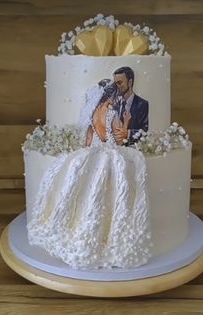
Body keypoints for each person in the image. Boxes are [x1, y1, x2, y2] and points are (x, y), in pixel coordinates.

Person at [27, 79, 152, 270]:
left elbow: (89, 138)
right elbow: (116, 138)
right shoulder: (112, 112)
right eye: (115, 97)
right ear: (110, 97)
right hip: (110, 152)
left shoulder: (93, 112)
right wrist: (126, 121)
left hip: (91, 153)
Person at [113, 66, 149, 144]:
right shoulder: (115, 105)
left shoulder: (142, 104)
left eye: (119, 83)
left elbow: (146, 130)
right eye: (115, 84)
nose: (117, 87)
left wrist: (128, 133)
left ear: (130, 82)